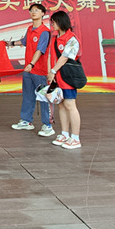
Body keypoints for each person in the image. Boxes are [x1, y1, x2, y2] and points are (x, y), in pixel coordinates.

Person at [8, 3, 54, 136]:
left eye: (36, 10)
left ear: (43, 14)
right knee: (28, 96)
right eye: (31, 10)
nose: (33, 12)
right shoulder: (29, 29)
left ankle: (48, 125)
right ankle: (26, 121)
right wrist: (9, 43)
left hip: (39, 70)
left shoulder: (44, 31)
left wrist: (32, 64)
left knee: (44, 97)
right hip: (28, 70)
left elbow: (40, 50)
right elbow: (24, 42)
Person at [47, 10, 82, 150]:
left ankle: (75, 138)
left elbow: (64, 57)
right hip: (57, 78)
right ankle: (65, 134)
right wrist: (51, 74)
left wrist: (53, 71)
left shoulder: (72, 39)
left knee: (70, 105)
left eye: (54, 22)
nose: (52, 25)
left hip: (68, 77)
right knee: (61, 105)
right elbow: (52, 56)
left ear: (61, 22)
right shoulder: (55, 38)